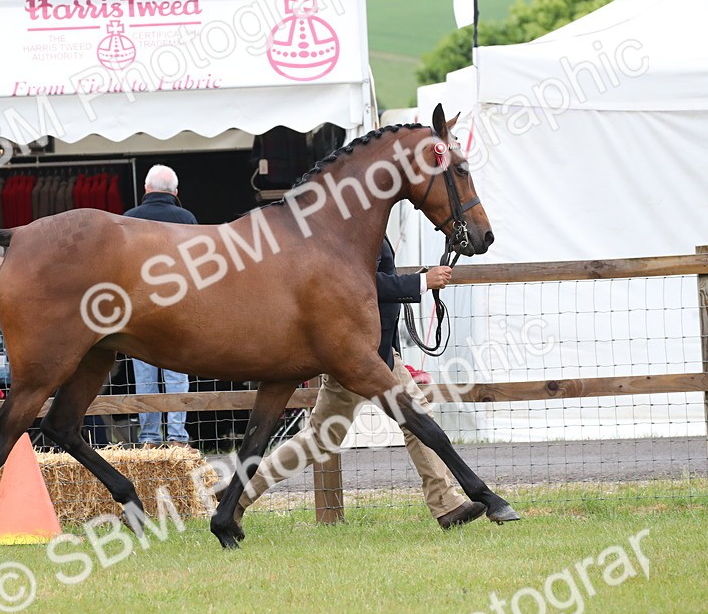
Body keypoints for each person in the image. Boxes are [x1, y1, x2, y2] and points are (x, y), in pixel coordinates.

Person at [227, 236, 487, 530]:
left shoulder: (363, 223)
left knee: (411, 420)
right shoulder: (354, 226)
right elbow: (361, 283)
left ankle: (448, 504)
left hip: (377, 353)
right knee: (324, 438)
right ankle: (235, 496)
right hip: (359, 358)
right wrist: (420, 283)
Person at [122, 165, 199, 448]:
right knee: (177, 373)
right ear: (175, 192)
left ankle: (149, 439)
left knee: (145, 376)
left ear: (146, 189)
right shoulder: (186, 219)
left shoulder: (129, 220)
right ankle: (178, 437)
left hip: (139, 310)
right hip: (178, 309)